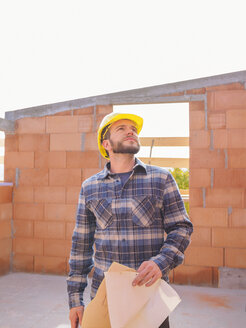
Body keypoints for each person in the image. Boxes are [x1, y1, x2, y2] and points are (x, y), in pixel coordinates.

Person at [67, 112, 193, 328]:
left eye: (133, 129)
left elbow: (181, 228)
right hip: (104, 299)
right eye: (121, 128)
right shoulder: (90, 187)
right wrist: (75, 300)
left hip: (149, 298)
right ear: (106, 144)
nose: (130, 131)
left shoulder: (161, 179)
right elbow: (81, 246)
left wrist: (159, 262)